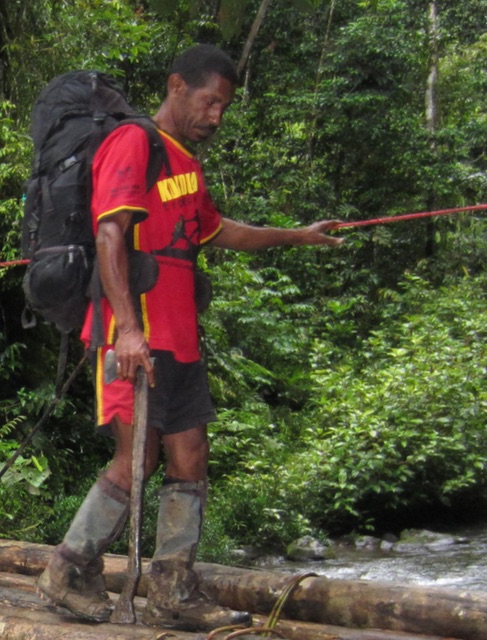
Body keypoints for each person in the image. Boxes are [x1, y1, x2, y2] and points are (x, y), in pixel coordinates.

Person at [35, 45, 343, 630]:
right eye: (210, 102)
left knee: (191, 456)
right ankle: (65, 569)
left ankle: (174, 586)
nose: (216, 115)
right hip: (135, 336)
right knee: (135, 459)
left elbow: (218, 230)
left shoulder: (185, 165)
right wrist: (127, 329)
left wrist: (300, 237)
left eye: (224, 106)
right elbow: (109, 234)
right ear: (178, 87)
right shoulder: (133, 143)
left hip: (179, 338)